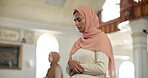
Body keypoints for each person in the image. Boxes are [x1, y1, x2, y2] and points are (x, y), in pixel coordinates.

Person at [66, 6, 116, 78]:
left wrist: (76, 67)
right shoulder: (78, 42)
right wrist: (69, 63)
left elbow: (101, 68)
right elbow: (67, 69)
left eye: (79, 20)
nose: (76, 24)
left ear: (89, 19)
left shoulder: (101, 38)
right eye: (75, 20)